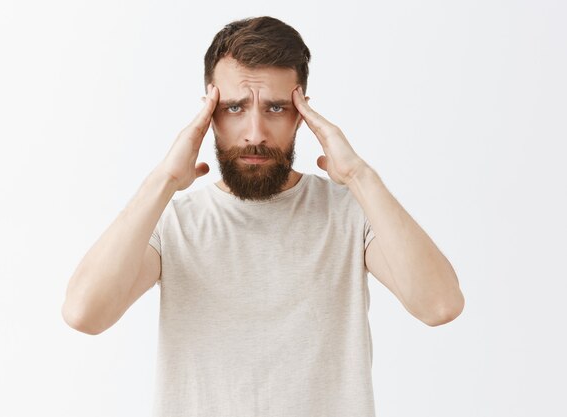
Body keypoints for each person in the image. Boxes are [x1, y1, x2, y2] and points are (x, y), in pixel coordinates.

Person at [62, 16, 465, 417]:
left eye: (275, 107)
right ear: (209, 112)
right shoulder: (174, 221)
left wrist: (360, 176)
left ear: (302, 113)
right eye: (234, 107)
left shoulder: (349, 212)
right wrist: (164, 179)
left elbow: (440, 305)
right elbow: (85, 313)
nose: (254, 132)